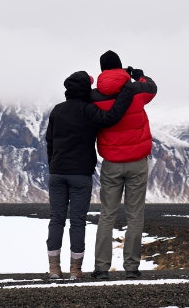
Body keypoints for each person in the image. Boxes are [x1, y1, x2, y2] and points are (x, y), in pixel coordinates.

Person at [44, 70, 135, 280]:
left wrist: (53, 165)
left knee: (56, 220)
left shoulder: (57, 111)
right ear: (85, 90)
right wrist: (126, 93)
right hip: (80, 175)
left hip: (57, 173)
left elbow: (49, 141)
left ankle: (54, 269)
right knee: (77, 221)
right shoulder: (88, 110)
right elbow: (111, 117)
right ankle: (75, 270)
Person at [90, 49, 158, 280]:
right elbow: (152, 87)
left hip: (111, 164)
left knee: (107, 214)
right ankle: (131, 268)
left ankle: (101, 268)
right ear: (120, 67)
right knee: (135, 215)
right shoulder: (135, 91)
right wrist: (138, 75)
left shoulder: (95, 97)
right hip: (137, 163)